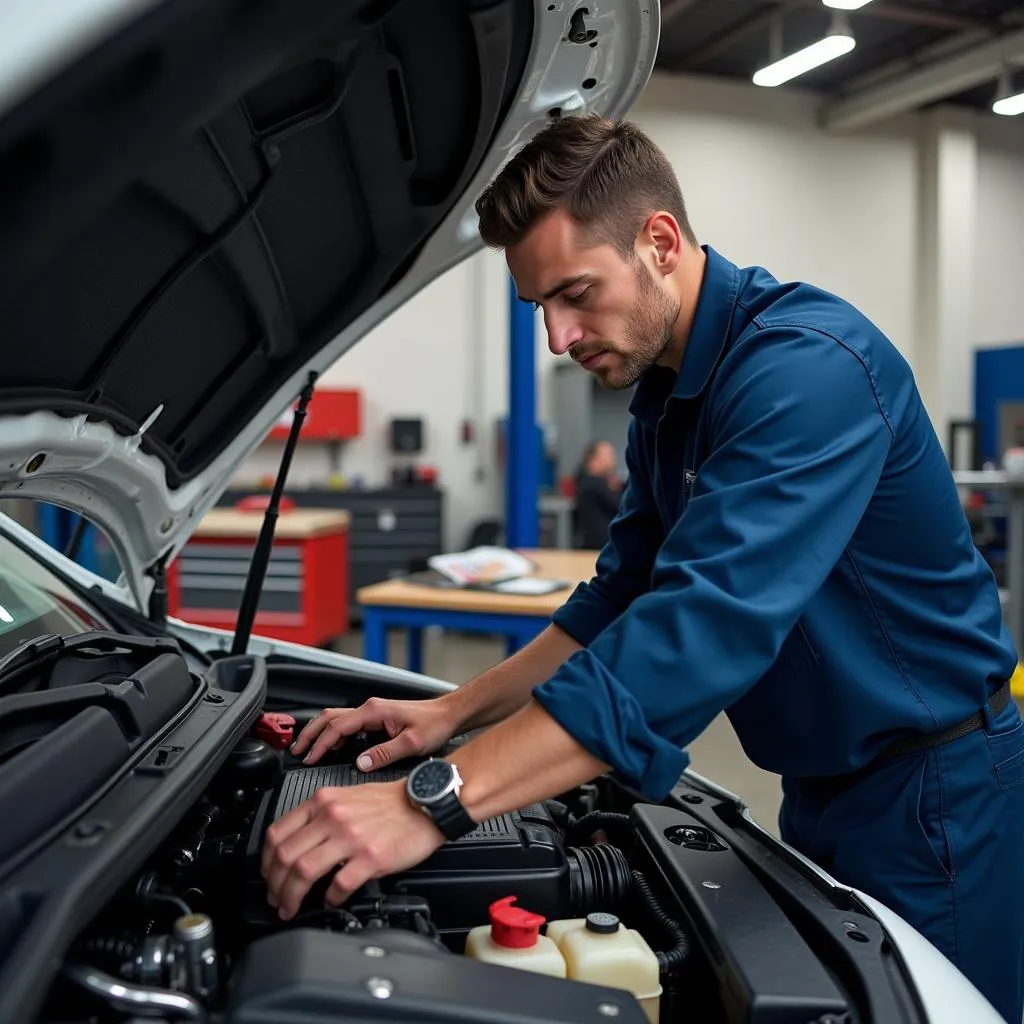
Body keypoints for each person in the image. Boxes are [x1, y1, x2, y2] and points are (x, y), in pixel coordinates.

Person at [262, 116, 1024, 1021]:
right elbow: (617, 598)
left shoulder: (807, 371)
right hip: (826, 790)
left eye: (575, 293)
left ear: (660, 241)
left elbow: (700, 629)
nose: (557, 336)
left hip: (936, 798)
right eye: (539, 305)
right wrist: (448, 715)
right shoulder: (668, 400)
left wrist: (431, 802)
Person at [573, 439, 623, 549]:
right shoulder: (593, 484)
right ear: (593, 459)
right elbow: (621, 506)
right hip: (596, 549)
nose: (613, 459)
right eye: (609, 455)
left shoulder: (599, 483)